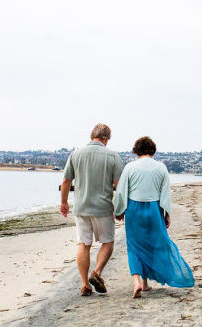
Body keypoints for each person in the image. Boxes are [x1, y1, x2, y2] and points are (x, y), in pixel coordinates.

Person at [113, 136, 194, 298]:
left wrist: (119, 210)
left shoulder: (130, 167)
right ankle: (145, 284)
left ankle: (137, 281)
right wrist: (167, 214)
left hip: (134, 210)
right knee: (154, 245)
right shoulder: (161, 168)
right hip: (154, 209)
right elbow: (165, 194)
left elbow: (121, 192)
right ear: (153, 150)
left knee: (134, 247)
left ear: (136, 150)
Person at [60, 123, 124, 296]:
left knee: (84, 245)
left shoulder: (76, 154)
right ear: (106, 139)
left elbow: (66, 181)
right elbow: (119, 186)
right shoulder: (113, 157)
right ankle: (96, 272)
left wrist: (64, 202)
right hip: (103, 208)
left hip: (81, 208)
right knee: (108, 242)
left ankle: (84, 284)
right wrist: (120, 209)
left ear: (92, 136)